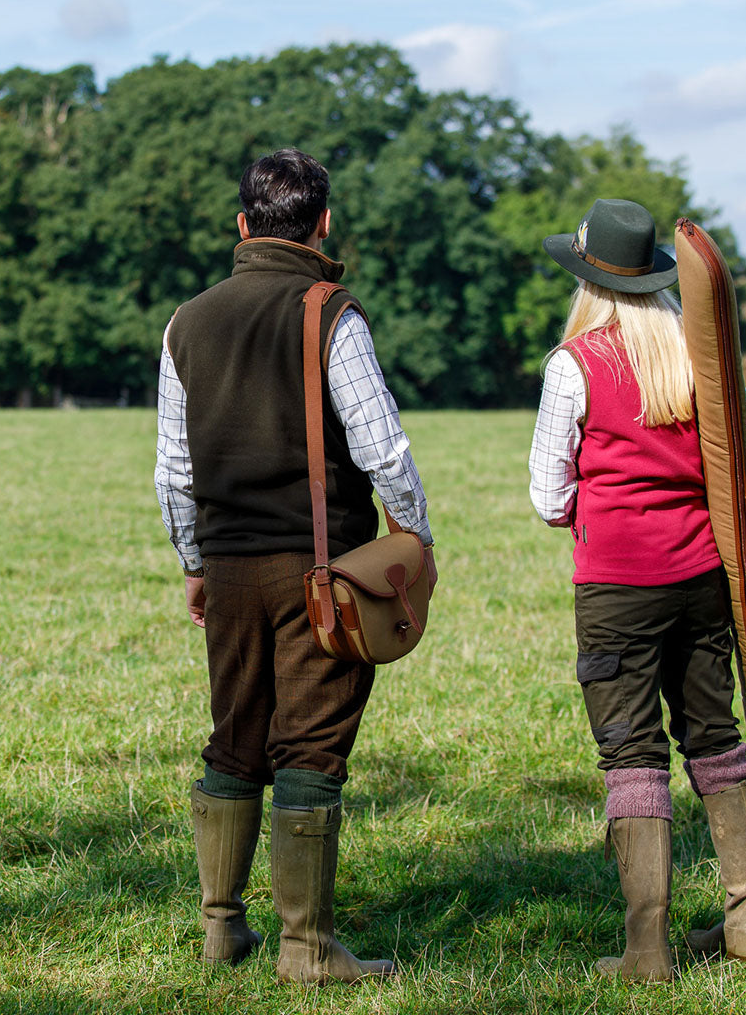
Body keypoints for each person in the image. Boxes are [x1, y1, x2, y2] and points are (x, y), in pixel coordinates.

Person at [155, 148, 436, 985]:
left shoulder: (186, 320)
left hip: (231, 568)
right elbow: (381, 445)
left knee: (234, 740)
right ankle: (307, 950)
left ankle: (219, 928)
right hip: (327, 573)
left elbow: (174, 470)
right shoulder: (330, 312)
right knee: (310, 750)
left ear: (243, 226)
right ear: (323, 224)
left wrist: (194, 562)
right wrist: (413, 538)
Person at [528, 198, 746, 981]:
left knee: (633, 755)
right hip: (704, 576)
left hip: (616, 584)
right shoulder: (699, 354)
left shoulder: (573, 364)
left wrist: (604, 515)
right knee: (714, 734)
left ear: (588, 280)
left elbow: (547, 497)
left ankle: (647, 949)